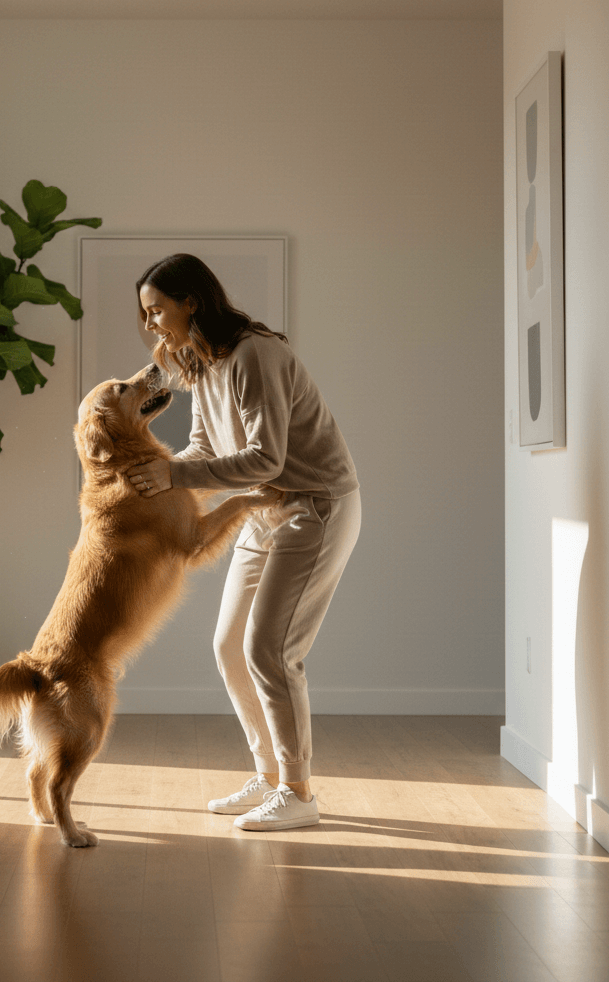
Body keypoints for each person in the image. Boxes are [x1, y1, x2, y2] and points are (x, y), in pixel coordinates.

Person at [127, 254, 360, 831]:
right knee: (230, 645)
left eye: (157, 310)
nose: (151, 323)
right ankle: (270, 774)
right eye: (145, 314)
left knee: (271, 651)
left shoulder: (257, 354)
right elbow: (204, 449)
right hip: (263, 510)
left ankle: (298, 791)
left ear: (192, 302)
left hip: (315, 506)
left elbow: (267, 458)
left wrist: (174, 478)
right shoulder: (201, 364)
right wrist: (149, 481)